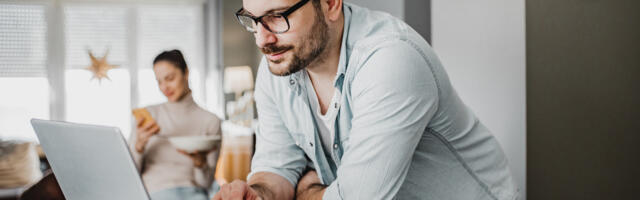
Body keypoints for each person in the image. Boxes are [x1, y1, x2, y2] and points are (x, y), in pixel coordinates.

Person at [214, 0, 518, 199]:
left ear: (330, 4)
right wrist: (255, 193)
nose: (262, 39)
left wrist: (307, 190)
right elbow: (278, 167)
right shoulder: (279, 68)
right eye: (253, 19)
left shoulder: (392, 59)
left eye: (277, 17)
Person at [128, 50, 222, 200]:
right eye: (159, 81)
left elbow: (206, 183)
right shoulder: (148, 116)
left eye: (170, 78)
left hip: (192, 193)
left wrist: (200, 163)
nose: (164, 87)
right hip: (151, 193)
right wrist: (138, 147)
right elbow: (129, 177)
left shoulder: (210, 121)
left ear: (186, 73)